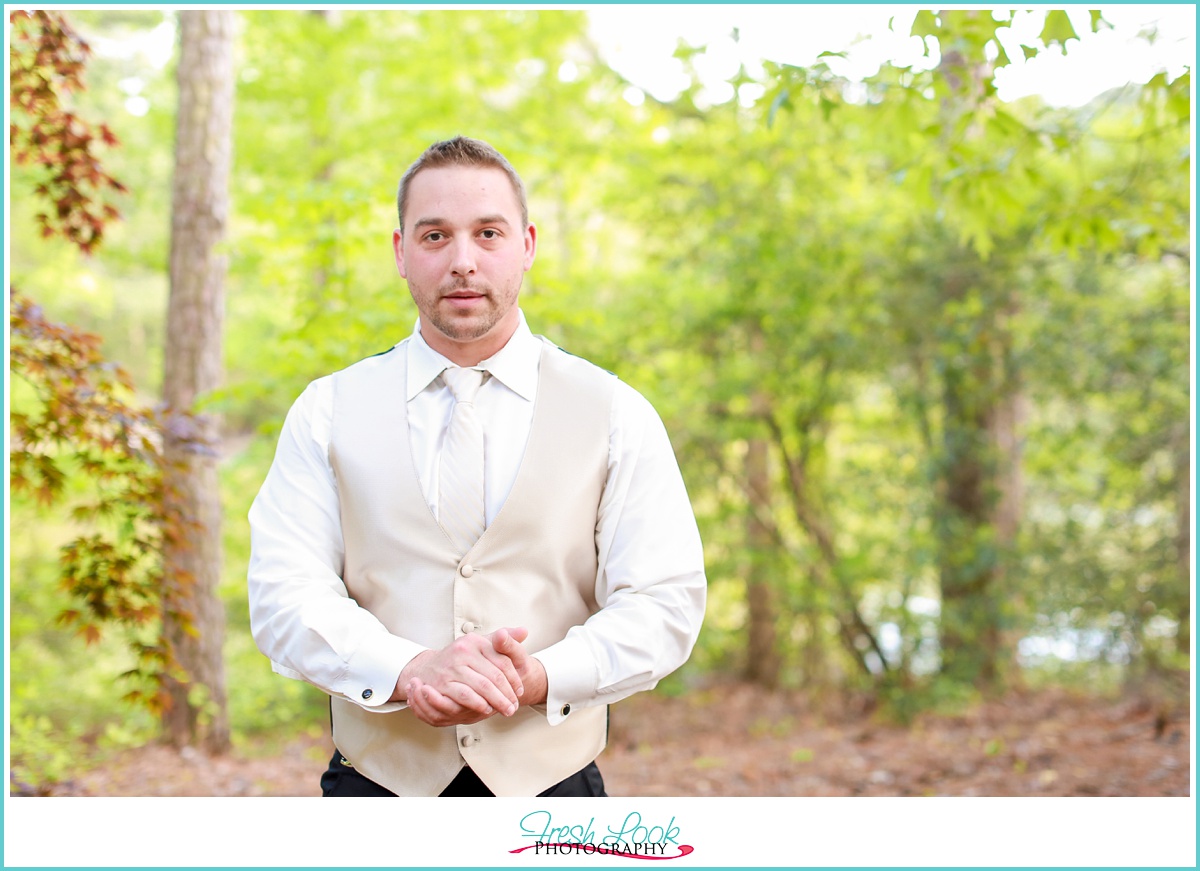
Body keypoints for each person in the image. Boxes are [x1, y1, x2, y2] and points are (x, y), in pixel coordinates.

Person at [247, 136, 706, 797]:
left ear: (527, 245)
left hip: (553, 785)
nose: (463, 261)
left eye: (487, 233)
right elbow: (285, 594)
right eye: (435, 236)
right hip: (375, 785)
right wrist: (408, 670)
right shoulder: (327, 410)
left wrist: (538, 676)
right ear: (402, 252)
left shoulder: (614, 412)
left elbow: (665, 600)